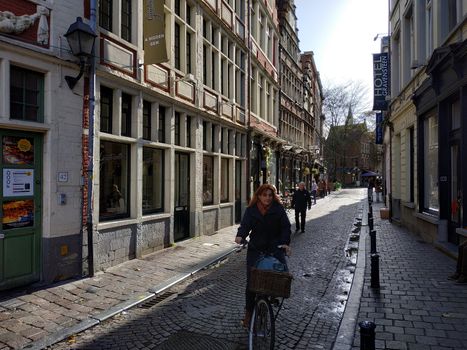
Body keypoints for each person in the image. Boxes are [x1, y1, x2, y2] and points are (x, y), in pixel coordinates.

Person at [235, 184, 292, 328]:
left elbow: (286, 227)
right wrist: (240, 235)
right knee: (252, 283)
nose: (267, 198)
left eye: (270, 195)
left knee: (281, 275)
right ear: (259, 196)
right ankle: (248, 314)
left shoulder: (278, 210)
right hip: (256, 249)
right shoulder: (251, 210)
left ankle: (270, 299)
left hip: (275, 248)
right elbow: (245, 225)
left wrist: (285, 243)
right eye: (264, 195)